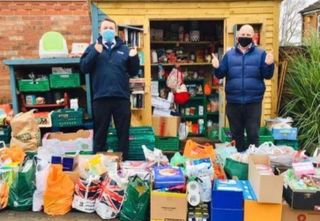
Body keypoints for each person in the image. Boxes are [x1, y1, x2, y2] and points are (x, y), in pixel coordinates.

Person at [80, 18, 140, 159]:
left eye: (111, 28)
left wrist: (134, 58)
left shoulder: (125, 49)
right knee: (100, 134)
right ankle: (97, 167)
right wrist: (95, 52)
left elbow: (133, 72)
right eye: (105, 28)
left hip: (121, 98)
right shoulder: (92, 48)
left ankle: (123, 164)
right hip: (101, 98)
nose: (108, 30)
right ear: (100, 31)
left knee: (123, 134)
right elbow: (84, 68)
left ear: (116, 31)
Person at [211, 24, 274, 152]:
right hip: (234, 102)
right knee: (236, 136)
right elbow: (220, 74)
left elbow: (267, 75)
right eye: (242, 35)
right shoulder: (229, 55)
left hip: (253, 102)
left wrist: (269, 64)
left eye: (248, 35)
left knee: (253, 135)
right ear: (237, 36)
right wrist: (216, 67)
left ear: (253, 37)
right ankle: (239, 163)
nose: (245, 37)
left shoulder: (261, 54)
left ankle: (252, 166)